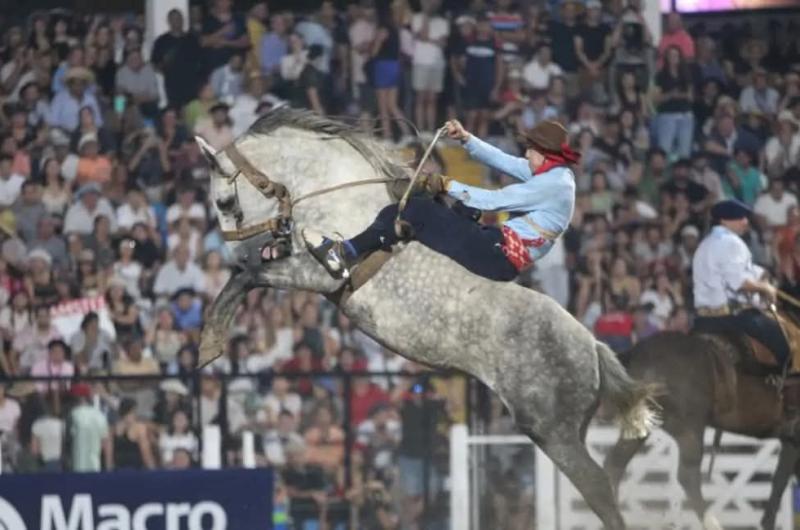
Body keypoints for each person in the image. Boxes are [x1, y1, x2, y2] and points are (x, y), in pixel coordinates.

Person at [304, 119, 579, 282]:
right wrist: (467, 139)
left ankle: (343, 253)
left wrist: (446, 183)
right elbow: (503, 160)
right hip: (498, 246)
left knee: (417, 210)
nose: (527, 152)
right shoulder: (552, 172)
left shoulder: (552, 184)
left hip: (497, 254)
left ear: (546, 154)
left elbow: (496, 200)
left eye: (532, 149)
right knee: (452, 206)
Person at [692, 200, 788, 365]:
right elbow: (739, 282)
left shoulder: (705, 244)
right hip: (731, 316)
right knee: (785, 340)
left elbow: (736, 270)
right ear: (724, 221)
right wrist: (766, 288)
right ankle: (782, 382)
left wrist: (761, 275)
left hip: (703, 319)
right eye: (740, 218)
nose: (745, 222)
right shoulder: (731, 242)